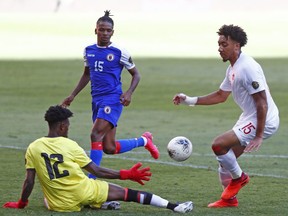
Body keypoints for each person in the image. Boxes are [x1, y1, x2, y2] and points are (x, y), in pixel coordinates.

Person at [3, 105, 193, 213]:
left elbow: (29, 181)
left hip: (59, 205)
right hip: (85, 191)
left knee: (47, 197)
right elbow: (97, 171)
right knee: (129, 194)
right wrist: (126, 174)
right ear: (61, 126)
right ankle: (174, 207)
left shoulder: (33, 147)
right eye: (67, 125)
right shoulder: (71, 146)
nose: (68, 128)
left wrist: (22, 203)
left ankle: (97, 204)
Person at [173, 24, 279, 208]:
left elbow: (262, 103)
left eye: (224, 44)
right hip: (250, 116)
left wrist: (259, 135)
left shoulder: (247, 68)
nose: (220, 48)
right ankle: (229, 199)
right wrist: (189, 100)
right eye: (219, 44)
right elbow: (221, 95)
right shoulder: (233, 68)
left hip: (264, 119)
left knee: (218, 145)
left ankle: (240, 178)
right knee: (225, 162)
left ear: (236, 46)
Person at [61, 10, 159, 180]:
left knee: (95, 134)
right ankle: (144, 141)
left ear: (112, 32)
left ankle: (91, 180)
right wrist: (72, 95)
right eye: (102, 29)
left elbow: (136, 74)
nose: (105, 33)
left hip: (113, 99)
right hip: (97, 100)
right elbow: (87, 74)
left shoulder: (120, 52)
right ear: (95, 30)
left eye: (108, 30)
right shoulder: (88, 51)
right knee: (109, 147)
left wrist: (128, 93)